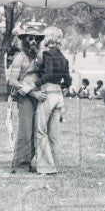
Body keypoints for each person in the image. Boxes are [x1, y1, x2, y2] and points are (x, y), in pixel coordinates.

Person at [32, 25, 71, 176]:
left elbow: (47, 75)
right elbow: (68, 81)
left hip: (47, 94)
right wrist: (57, 86)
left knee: (41, 131)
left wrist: (32, 86)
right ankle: (55, 163)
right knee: (54, 133)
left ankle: (45, 167)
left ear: (47, 38)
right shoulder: (63, 57)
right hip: (58, 95)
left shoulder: (47, 54)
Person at [7, 23, 45, 173]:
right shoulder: (19, 57)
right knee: (25, 131)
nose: (34, 42)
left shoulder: (39, 57)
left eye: (36, 39)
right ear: (24, 41)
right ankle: (20, 165)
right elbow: (12, 81)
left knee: (38, 131)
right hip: (26, 97)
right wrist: (30, 92)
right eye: (30, 39)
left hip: (40, 96)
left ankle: (32, 162)